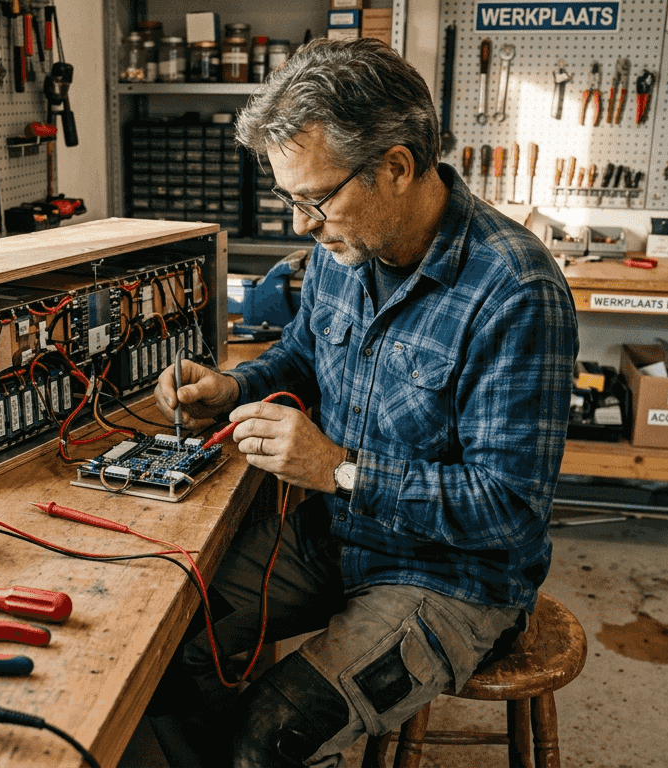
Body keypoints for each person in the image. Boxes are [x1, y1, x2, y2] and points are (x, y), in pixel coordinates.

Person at [150, 38, 578, 768]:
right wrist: (232, 388)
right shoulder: (343, 252)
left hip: (452, 579)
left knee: (269, 740)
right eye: (292, 201)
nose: (303, 225)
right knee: (165, 641)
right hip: (334, 535)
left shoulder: (516, 292)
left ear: (398, 166)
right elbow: (302, 359)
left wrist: (340, 469)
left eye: (316, 199)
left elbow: (508, 506)